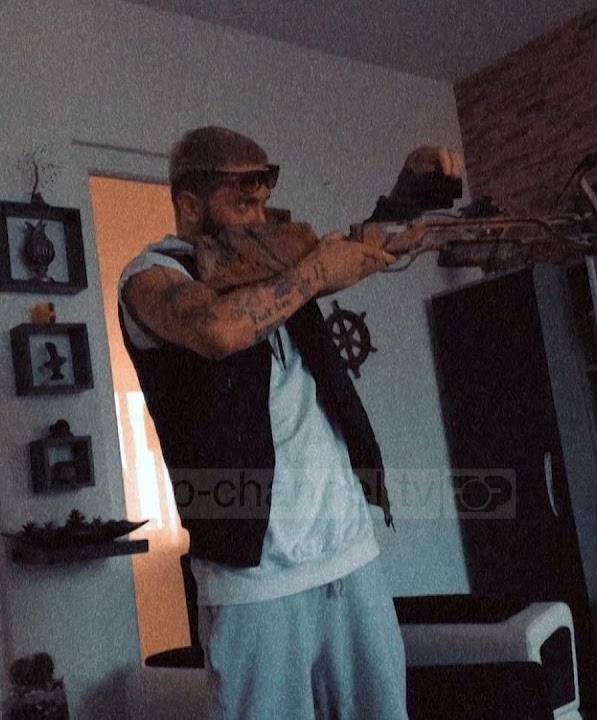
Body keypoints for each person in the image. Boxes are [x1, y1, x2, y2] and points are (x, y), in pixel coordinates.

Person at [118, 126, 458, 719]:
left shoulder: (270, 255)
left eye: (262, 202)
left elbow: (366, 246)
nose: (259, 218)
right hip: (254, 583)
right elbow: (218, 330)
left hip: (350, 552)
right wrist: (316, 272)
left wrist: (408, 194)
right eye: (242, 204)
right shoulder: (150, 277)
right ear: (190, 205)